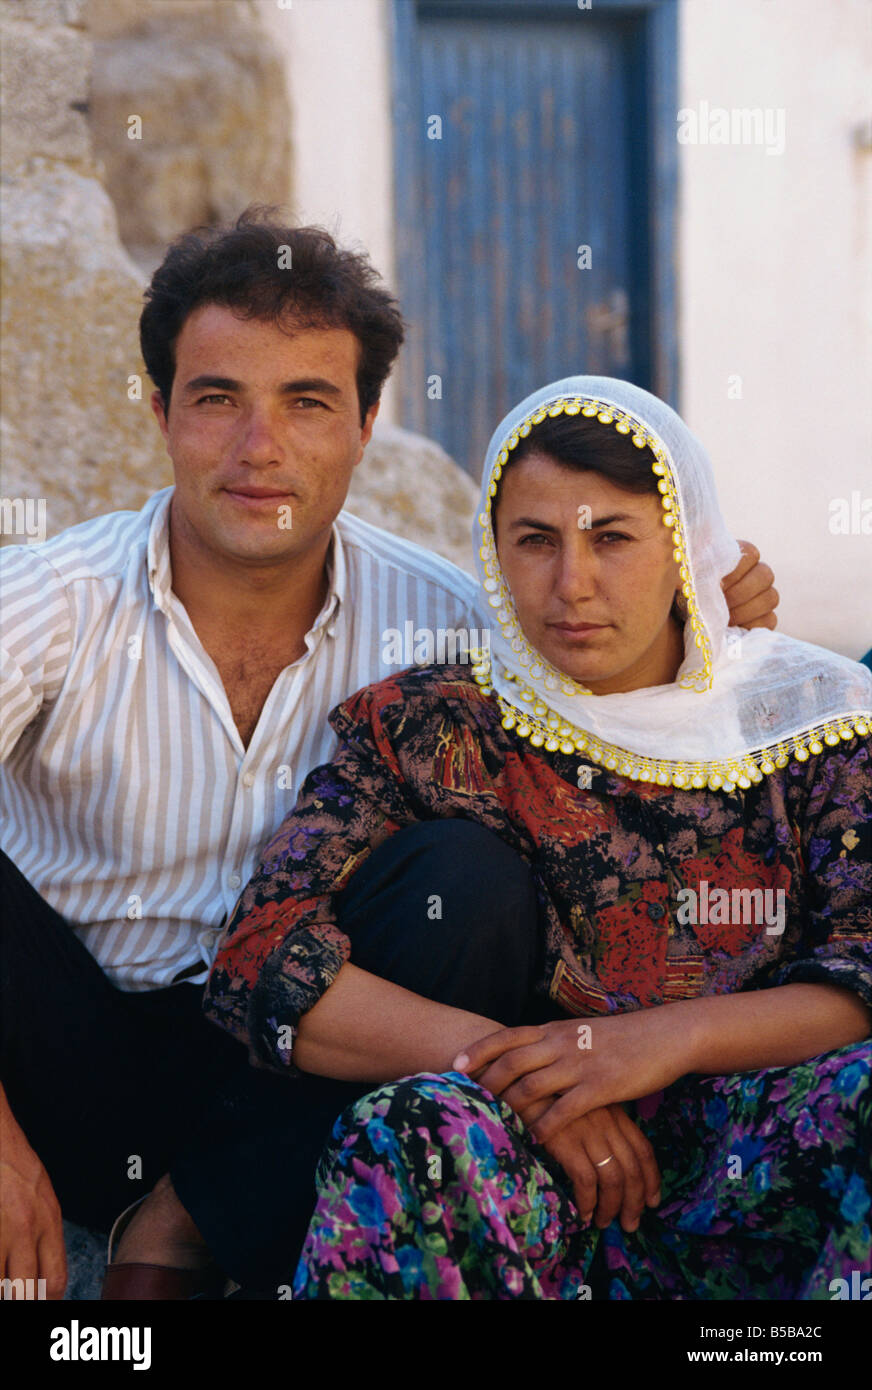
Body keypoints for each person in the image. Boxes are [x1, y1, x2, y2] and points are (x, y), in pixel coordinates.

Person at [0, 206, 779, 1301]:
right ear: (162, 412)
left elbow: (621, 686)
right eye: (217, 398)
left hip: (297, 1065)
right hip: (69, 1052)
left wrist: (714, 602)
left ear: (367, 423)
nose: (257, 448)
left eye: (306, 403)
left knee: (469, 878)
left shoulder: (450, 620)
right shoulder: (54, 597)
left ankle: (181, 1226)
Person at [203, 375, 872, 1301]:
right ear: (493, 550)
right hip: (536, 1172)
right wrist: (527, 1074)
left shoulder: (808, 724)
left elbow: (864, 966)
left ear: (687, 546)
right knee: (415, 1126)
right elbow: (259, 948)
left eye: (612, 538)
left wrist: (662, 1040)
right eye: (535, 541)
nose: (572, 585)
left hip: (752, 1146)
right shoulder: (440, 725)